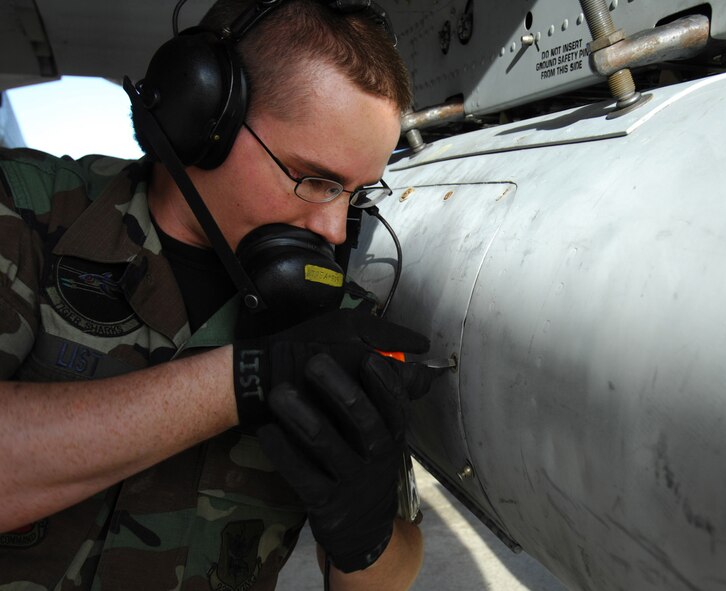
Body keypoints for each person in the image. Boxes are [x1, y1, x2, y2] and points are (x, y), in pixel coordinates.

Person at [0, 1, 433, 589]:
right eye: (315, 180)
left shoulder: (336, 321)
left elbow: (390, 574)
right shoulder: (25, 214)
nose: (335, 231)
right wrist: (246, 380)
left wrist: (367, 533)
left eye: (354, 193)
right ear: (202, 116)